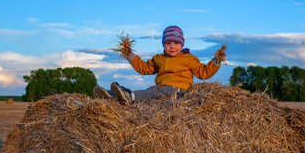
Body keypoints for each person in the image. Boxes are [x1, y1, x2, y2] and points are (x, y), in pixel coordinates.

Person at [93, 25, 225, 104]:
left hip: (179, 92)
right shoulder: (159, 59)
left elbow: (204, 73)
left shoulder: (189, 59)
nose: (172, 46)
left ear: (182, 44)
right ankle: (115, 97)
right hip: (161, 91)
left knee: (152, 92)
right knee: (152, 100)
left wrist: (216, 61)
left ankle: (129, 95)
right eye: (168, 43)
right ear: (163, 44)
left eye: (176, 43)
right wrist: (129, 54)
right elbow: (144, 68)